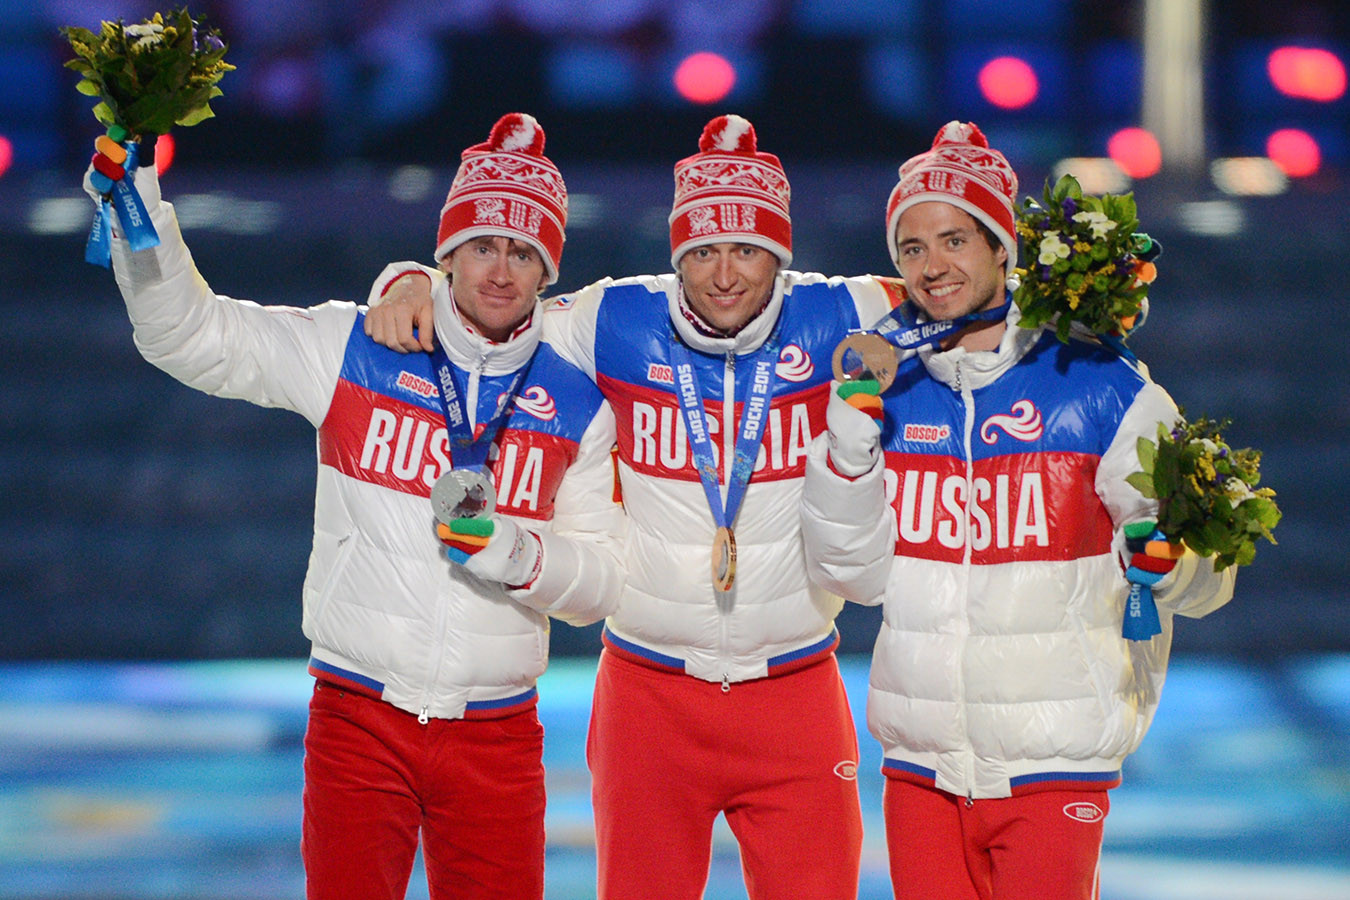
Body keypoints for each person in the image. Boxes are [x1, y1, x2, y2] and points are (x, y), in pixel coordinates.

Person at [362, 115, 909, 900]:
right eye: (703, 251)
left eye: (748, 250)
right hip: (647, 700)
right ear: (675, 253)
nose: (724, 274)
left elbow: (959, 302)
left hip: (795, 692)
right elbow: (488, 313)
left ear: (780, 259)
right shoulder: (612, 319)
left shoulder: (840, 313)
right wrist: (408, 279)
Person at [84, 112, 626, 900]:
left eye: (523, 251)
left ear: (549, 270)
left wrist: (514, 553)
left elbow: (605, 583)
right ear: (447, 254)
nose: (501, 271)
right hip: (359, 717)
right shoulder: (356, 347)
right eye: (482, 245)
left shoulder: (578, 404)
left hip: (498, 732)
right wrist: (141, 206)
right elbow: (189, 335)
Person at [800, 121, 1237, 900]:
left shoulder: (1107, 390)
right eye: (911, 248)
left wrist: (1173, 568)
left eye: (955, 240)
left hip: (1054, 761)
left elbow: (1202, 575)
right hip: (922, 764)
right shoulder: (887, 392)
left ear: (1003, 246)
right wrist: (847, 452)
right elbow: (850, 575)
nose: (932, 266)